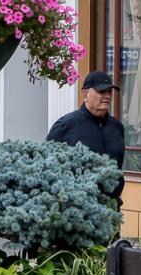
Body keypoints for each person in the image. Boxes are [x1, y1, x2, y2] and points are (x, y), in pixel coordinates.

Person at [45, 70, 126, 203]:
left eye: (109, 91)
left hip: (111, 207)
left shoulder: (117, 127)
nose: (107, 96)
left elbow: (118, 166)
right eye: (101, 91)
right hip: (78, 207)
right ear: (85, 94)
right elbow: (47, 165)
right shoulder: (66, 125)